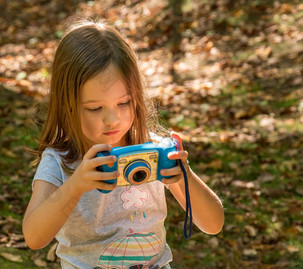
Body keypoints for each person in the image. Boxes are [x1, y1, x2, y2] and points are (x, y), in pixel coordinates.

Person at [22, 19, 224, 269]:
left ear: (137, 97)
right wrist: (75, 186)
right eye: (95, 108)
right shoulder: (60, 161)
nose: (112, 119)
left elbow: (213, 224)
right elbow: (34, 237)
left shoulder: (153, 149)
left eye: (124, 103)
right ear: (68, 105)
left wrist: (185, 176)